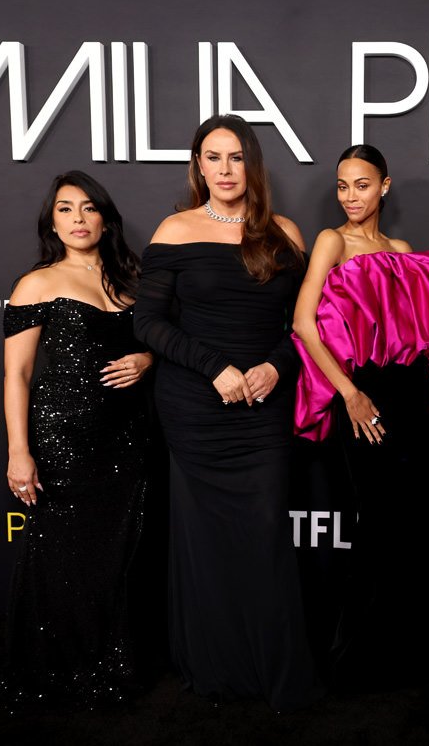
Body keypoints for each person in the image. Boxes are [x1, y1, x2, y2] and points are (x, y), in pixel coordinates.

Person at [132, 114, 321, 712]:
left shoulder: (283, 232)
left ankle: (271, 667)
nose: (224, 169)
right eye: (213, 158)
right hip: (195, 407)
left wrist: (272, 367)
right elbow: (149, 323)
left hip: (262, 409)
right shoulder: (175, 230)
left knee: (263, 538)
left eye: (236, 157)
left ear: (252, 165)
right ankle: (213, 665)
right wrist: (214, 367)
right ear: (198, 166)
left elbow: (305, 326)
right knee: (205, 541)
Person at [292, 144, 429, 690]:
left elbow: (422, 329)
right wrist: (349, 393)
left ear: (384, 186)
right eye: (342, 185)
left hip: (413, 397)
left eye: (361, 185)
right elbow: (303, 323)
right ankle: (358, 661)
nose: (350, 196)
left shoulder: (403, 249)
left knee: (414, 523)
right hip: (364, 394)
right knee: (377, 520)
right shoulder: (331, 241)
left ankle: (409, 651)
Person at [1, 170, 153, 706]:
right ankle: (64, 662)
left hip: (130, 437)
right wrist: (20, 453)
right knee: (66, 553)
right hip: (64, 436)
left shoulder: (133, 279)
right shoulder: (37, 282)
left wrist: (147, 356)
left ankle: (114, 657)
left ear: (106, 218)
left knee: (121, 552)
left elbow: (162, 338)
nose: (78, 219)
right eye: (66, 209)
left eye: (88, 208)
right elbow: (16, 375)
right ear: (53, 221)